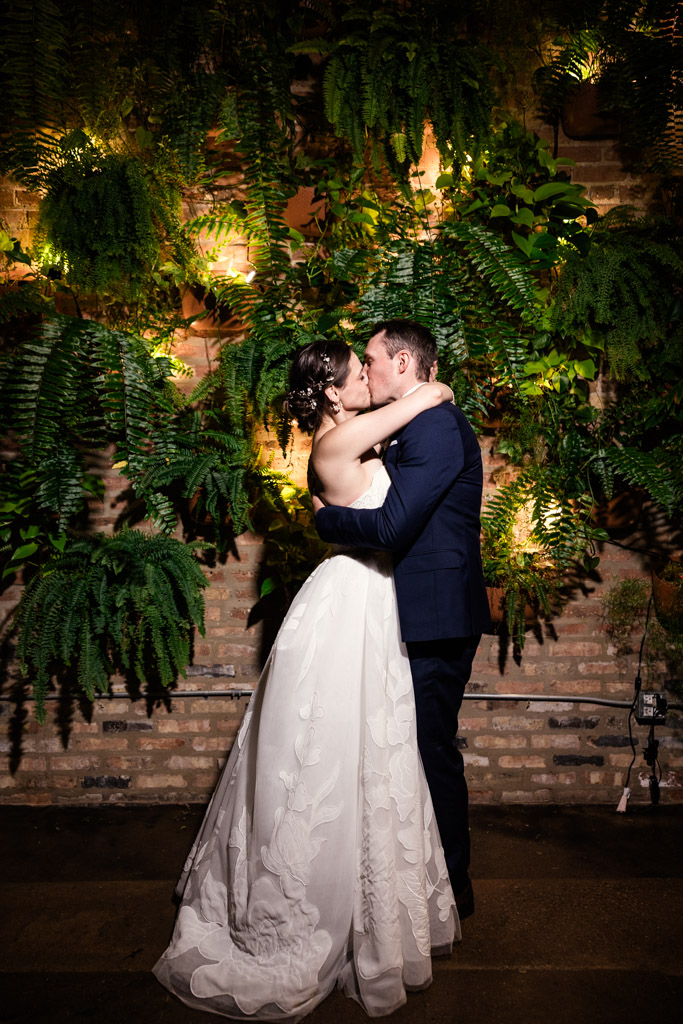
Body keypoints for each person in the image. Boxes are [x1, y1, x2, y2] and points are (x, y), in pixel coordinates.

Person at [153, 338, 460, 1022]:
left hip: (371, 602)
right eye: (359, 373)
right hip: (351, 602)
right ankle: (308, 919)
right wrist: (432, 391)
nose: (369, 380)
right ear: (332, 391)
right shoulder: (338, 440)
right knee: (330, 755)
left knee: (365, 754)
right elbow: (428, 398)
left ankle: (362, 902)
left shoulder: (345, 434)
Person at [315, 320, 492, 920]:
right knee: (400, 747)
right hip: (409, 612)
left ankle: (453, 886)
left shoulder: (436, 426)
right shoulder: (408, 424)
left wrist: (324, 523)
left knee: (429, 746)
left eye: (371, 359)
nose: (365, 370)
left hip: (437, 616)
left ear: (403, 363)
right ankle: (408, 881)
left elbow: (393, 528)